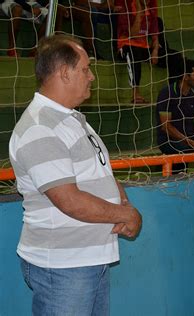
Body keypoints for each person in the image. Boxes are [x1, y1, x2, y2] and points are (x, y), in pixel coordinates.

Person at [8, 35, 142, 314]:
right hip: (63, 268)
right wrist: (126, 215)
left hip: (85, 262)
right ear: (64, 73)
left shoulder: (70, 119)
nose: (91, 76)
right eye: (85, 69)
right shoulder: (40, 127)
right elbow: (68, 199)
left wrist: (122, 200)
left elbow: (96, 172)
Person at [116, 0, 159, 103]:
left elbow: (155, 36)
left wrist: (155, 51)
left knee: (173, 56)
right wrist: (140, 12)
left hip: (143, 47)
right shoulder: (127, 8)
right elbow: (133, 34)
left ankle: (173, 94)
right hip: (126, 46)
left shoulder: (151, 11)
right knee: (134, 52)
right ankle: (136, 93)